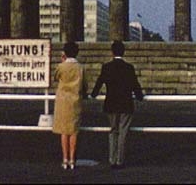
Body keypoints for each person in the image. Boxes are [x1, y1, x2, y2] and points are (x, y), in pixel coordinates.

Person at [91, 40, 144, 169]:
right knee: (123, 132)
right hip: (126, 104)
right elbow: (135, 85)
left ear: (112, 52)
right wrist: (139, 96)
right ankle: (120, 160)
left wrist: (93, 94)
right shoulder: (129, 68)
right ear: (123, 52)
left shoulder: (106, 67)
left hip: (111, 103)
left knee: (113, 131)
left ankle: (112, 159)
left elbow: (99, 82)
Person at [52, 42, 87, 170]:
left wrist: (63, 61)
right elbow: (85, 85)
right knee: (73, 132)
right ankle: (72, 160)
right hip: (75, 101)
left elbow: (55, 78)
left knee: (64, 131)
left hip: (62, 101)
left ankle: (65, 159)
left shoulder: (61, 67)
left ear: (65, 53)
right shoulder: (80, 68)